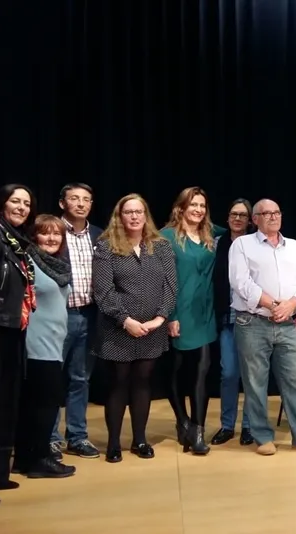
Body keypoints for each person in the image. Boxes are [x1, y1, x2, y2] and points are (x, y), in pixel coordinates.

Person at [229, 198, 296, 455]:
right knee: (256, 382)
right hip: (252, 322)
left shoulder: (294, 246)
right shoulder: (242, 245)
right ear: (255, 219)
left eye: (276, 213)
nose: (273, 217)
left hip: (286, 324)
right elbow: (241, 283)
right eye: (266, 213)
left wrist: (291, 304)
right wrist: (274, 304)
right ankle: (262, 437)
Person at [92, 194, 177, 463]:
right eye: (128, 212)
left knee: (143, 383)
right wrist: (125, 320)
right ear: (120, 215)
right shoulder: (106, 247)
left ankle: (140, 439)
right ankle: (114, 443)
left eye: (139, 211)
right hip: (119, 330)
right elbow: (103, 291)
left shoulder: (161, 246)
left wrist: (160, 318)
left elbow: (171, 286)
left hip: (152, 329)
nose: (134, 216)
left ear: (145, 215)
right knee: (118, 384)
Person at [0, 184, 37, 506]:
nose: (21, 207)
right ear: (1, 202)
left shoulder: (16, 240)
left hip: (13, 328)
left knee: (6, 404)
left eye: (26, 203)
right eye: (15, 201)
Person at [161, 187, 226, 456]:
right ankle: (182, 420)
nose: (198, 210)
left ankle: (197, 432)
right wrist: (171, 316)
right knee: (176, 370)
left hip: (204, 313)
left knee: (201, 371)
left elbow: (237, 229)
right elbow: (163, 279)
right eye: (193, 205)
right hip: (178, 312)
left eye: (202, 205)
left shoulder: (212, 234)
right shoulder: (166, 237)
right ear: (181, 208)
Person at [12, 215, 77, 478]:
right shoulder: (29, 263)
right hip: (35, 345)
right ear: (34, 235)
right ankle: (39, 459)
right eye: (45, 233)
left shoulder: (56, 265)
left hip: (53, 344)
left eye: (57, 234)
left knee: (38, 404)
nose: (51, 239)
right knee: (44, 406)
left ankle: (27, 458)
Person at [51, 182, 103, 460]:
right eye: (74, 198)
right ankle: (49, 438)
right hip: (58, 316)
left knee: (80, 378)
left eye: (86, 199)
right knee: (51, 378)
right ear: (63, 203)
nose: (81, 204)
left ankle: (78, 437)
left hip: (90, 314)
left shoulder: (99, 235)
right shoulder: (51, 231)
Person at [210, 199, 255, 446]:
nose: (237, 219)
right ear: (227, 218)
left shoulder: (256, 244)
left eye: (242, 215)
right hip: (226, 318)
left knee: (250, 375)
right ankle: (227, 425)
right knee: (229, 373)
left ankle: (249, 425)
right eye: (233, 214)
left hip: (251, 319)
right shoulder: (217, 243)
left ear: (250, 220)